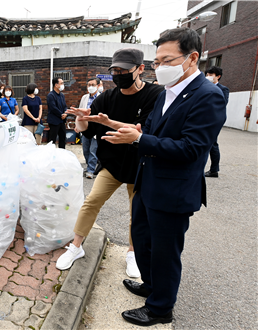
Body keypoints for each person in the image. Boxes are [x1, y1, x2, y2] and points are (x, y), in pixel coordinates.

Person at [102, 27, 226, 326]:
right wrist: (123, 129)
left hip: (173, 192)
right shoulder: (167, 93)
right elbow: (149, 130)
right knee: (143, 240)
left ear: (192, 58)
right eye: (157, 61)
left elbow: (191, 148)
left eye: (167, 60)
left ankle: (160, 308)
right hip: (149, 181)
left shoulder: (208, 96)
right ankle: (150, 285)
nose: (159, 67)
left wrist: (137, 140)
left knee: (165, 251)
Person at [56, 48, 164, 280]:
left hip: (141, 166)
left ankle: (133, 253)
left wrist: (108, 121)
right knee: (92, 201)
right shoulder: (106, 98)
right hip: (112, 164)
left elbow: (140, 131)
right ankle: (76, 246)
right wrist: (82, 119)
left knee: (138, 213)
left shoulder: (155, 94)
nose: (118, 74)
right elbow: (85, 131)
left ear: (140, 69)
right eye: (114, 70)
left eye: (123, 70)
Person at [205, 66, 229, 178]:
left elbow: (221, 104)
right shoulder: (203, 87)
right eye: (207, 74)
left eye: (211, 75)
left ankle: (214, 170)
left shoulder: (223, 89)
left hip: (214, 119)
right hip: (203, 118)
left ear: (218, 76)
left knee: (212, 143)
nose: (208, 77)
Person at [78, 77, 101, 178]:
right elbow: (79, 112)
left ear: (98, 86)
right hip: (85, 126)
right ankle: (89, 167)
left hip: (96, 127)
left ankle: (91, 170)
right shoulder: (84, 98)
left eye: (93, 85)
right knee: (85, 149)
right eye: (89, 85)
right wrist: (77, 126)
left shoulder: (102, 97)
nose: (91, 87)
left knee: (93, 149)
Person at [47, 77, 68, 149]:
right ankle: (50, 155)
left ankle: (62, 154)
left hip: (62, 121)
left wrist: (65, 113)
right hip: (54, 121)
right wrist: (61, 114)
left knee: (63, 139)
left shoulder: (62, 95)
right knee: (52, 140)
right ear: (56, 85)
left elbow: (65, 106)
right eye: (61, 83)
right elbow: (53, 108)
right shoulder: (51, 95)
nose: (63, 85)